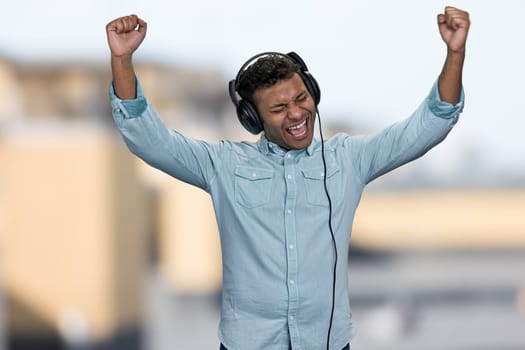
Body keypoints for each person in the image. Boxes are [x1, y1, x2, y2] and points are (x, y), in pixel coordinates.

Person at [106, 6, 470, 350]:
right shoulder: (223, 164)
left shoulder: (348, 158)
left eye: (301, 98)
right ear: (252, 118)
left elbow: (430, 125)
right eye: (279, 108)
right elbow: (148, 139)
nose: (297, 113)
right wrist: (122, 60)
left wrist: (455, 54)